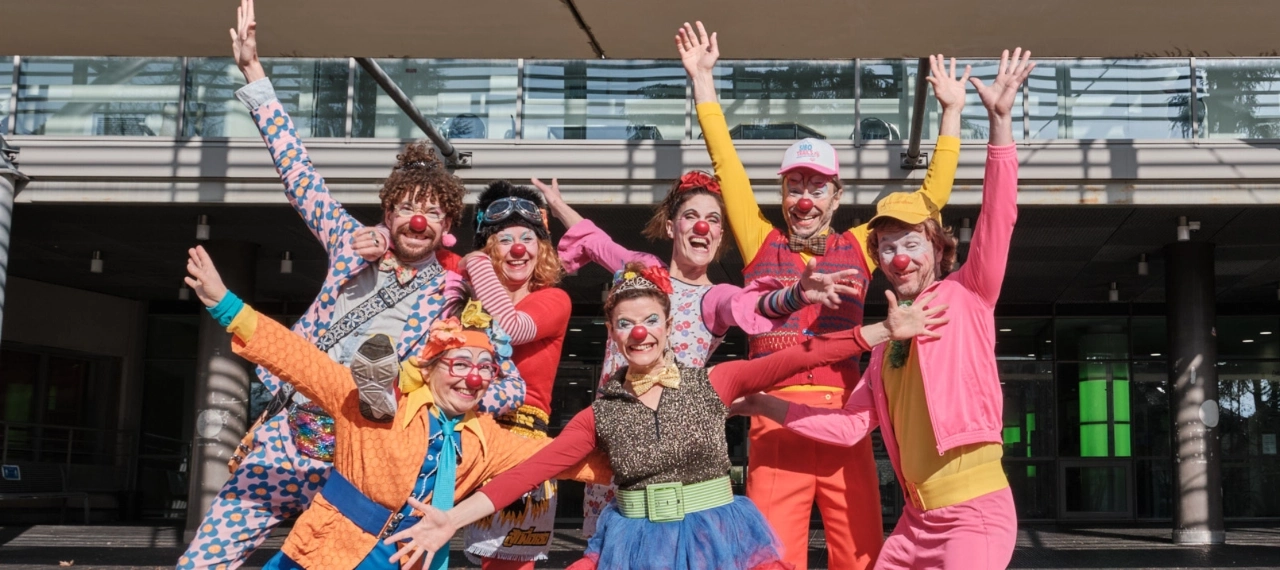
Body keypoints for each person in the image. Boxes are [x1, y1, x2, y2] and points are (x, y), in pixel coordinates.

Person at [177, 2, 523, 567]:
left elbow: (498, 382)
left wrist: (436, 415)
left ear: (446, 227)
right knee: (204, 561)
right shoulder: (349, 244)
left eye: (433, 212)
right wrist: (255, 76)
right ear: (387, 213)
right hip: (286, 436)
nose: (419, 220)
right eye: (408, 207)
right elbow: (299, 175)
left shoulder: (457, 299)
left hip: (359, 461)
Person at [379, 262, 948, 570]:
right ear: (614, 335)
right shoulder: (600, 413)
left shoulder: (713, 382)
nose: (639, 333)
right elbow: (534, 469)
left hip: (718, 540)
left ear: (669, 327)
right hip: (637, 545)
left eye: (649, 319)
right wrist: (450, 519)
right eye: (625, 324)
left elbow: (801, 356)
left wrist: (877, 331)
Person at [678, 21, 968, 569]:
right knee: (770, 558)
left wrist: (950, 115)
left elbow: (929, 199)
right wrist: (703, 82)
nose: (804, 198)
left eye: (816, 187)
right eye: (794, 186)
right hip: (770, 422)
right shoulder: (758, 237)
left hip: (844, 421)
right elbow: (727, 165)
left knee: (860, 555)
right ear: (783, 193)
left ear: (836, 196)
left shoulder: (861, 244)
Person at [734, 48, 1033, 570]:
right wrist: (763, 406)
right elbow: (847, 428)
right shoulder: (881, 350)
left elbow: (999, 214)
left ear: (938, 249)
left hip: (973, 513)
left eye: (911, 243)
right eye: (888, 247)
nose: (898, 256)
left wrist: (997, 123)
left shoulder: (968, 294)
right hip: (915, 525)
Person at [182, 245, 606, 570]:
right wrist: (225, 304)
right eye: (460, 364)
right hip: (326, 551)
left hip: (403, 559)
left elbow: (559, 459)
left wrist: (652, 462)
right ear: (432, 366)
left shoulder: (487, 439)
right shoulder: (377, 405)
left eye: (484, 369)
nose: (472, 378)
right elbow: (299, 360)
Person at [538, 173, 862, 535]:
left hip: (668, 452)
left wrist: (796, 295)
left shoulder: (714, 298)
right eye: (691, 216)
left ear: (720, 236)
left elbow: (755, 303)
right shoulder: (639, 269)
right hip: (611, 443)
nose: (702, 226)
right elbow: (598, 242)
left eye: (713, 219)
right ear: (672, 226)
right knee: (607, 547)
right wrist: (558, 204)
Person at [459, 181, 572, 569]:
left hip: (521, 441)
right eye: (504, 239)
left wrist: (471, 262)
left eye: (527, 237)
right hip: (468, 435)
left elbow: (511, 327)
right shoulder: (467, 303)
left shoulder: (553, 299)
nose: (518, 249)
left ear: (541, 247)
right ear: (490, 247)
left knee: (507, 561)